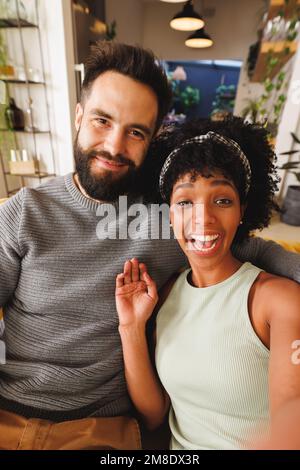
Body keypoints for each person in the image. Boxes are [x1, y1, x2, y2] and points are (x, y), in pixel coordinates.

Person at [0, 41, 299, 450]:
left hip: (101, 427)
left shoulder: (169, 217)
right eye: (102, 121)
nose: (114, 146)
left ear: (152, 138)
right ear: (78, 116)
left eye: (135, 132)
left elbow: (249, 247)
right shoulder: (23, 212)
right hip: (9, 410)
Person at [115, 117, 300, 450]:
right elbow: (156, 415)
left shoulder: (278, 300)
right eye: (185, 202)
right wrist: (130, 328)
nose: (203, 218)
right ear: (169, 214)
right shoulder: (168, 291)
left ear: (242, 210)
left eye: (223, 200)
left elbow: (292, 418)